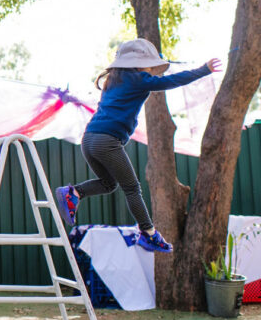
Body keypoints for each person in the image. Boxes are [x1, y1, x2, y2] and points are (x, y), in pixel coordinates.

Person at [55, 39, 221, 251]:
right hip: (107, 141)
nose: (151, 69)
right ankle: (149, 233)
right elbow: (171, 81)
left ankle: (74, 193)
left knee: (109, 184)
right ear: (138, 63)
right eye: (149, 64)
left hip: (89, 140)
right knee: (132, 188)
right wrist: (203, 70)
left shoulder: (113, 81)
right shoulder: (138, 79)